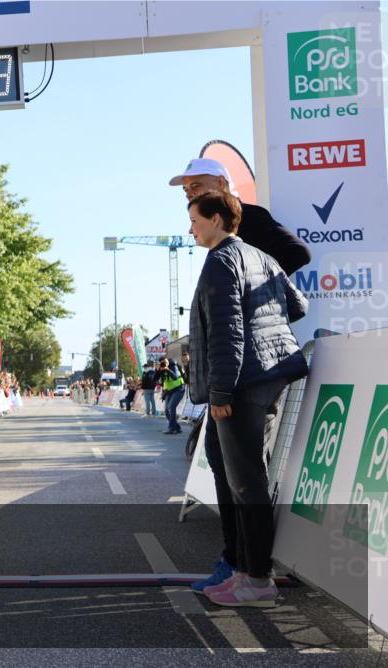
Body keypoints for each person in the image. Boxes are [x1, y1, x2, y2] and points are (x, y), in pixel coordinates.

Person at [170, 160, 312, 594]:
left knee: (246, 480)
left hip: (243, 380)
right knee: (235, 470)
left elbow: (228, 333)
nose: (190, 226)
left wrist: (220, 393)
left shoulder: (225, 258)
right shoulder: (257, 257)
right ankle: (240, 567)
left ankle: (254, 577)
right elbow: (298, 306)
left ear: (218, 211)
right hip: (266, 373)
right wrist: (264, 315)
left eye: (196, 217)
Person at [170, 158, 311, 275]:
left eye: (195, 186)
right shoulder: (217, 226)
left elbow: (298, 253)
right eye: (185, 189)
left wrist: (255, 288)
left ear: (221, 183)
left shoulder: (247, 214)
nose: (188, 194)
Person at [159, 357, 185, 434]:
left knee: (171, 407)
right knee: (167, 411)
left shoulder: (173, 366)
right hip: (169, 391)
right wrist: (157, 370)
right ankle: (177, 427)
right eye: (162, 363)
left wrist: (168, 369)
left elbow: (175, 377)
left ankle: (172, 428)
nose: (163, 364)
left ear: (168, 361)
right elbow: (155, 379)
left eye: (164, 362)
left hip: (178, 389)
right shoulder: (161, 369)